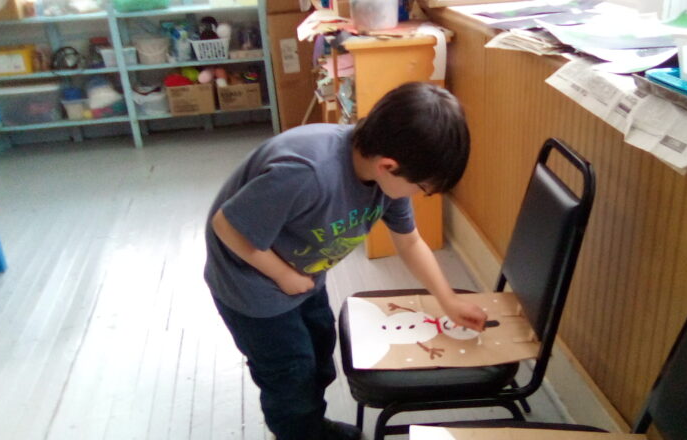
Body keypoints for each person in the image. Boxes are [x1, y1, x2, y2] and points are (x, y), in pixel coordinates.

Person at [203, 82, 487, 440]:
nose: (420, 197)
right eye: (422, 189)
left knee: (319, 355)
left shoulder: (387, 177)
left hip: (304, 275)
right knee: (289, 375)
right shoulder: (307, 171)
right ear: (388, 165)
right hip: (252, 285)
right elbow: (227, 226)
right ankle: (299, 433)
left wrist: (448, 300)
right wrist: (284, 275)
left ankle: (312, 426)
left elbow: (410, 242)